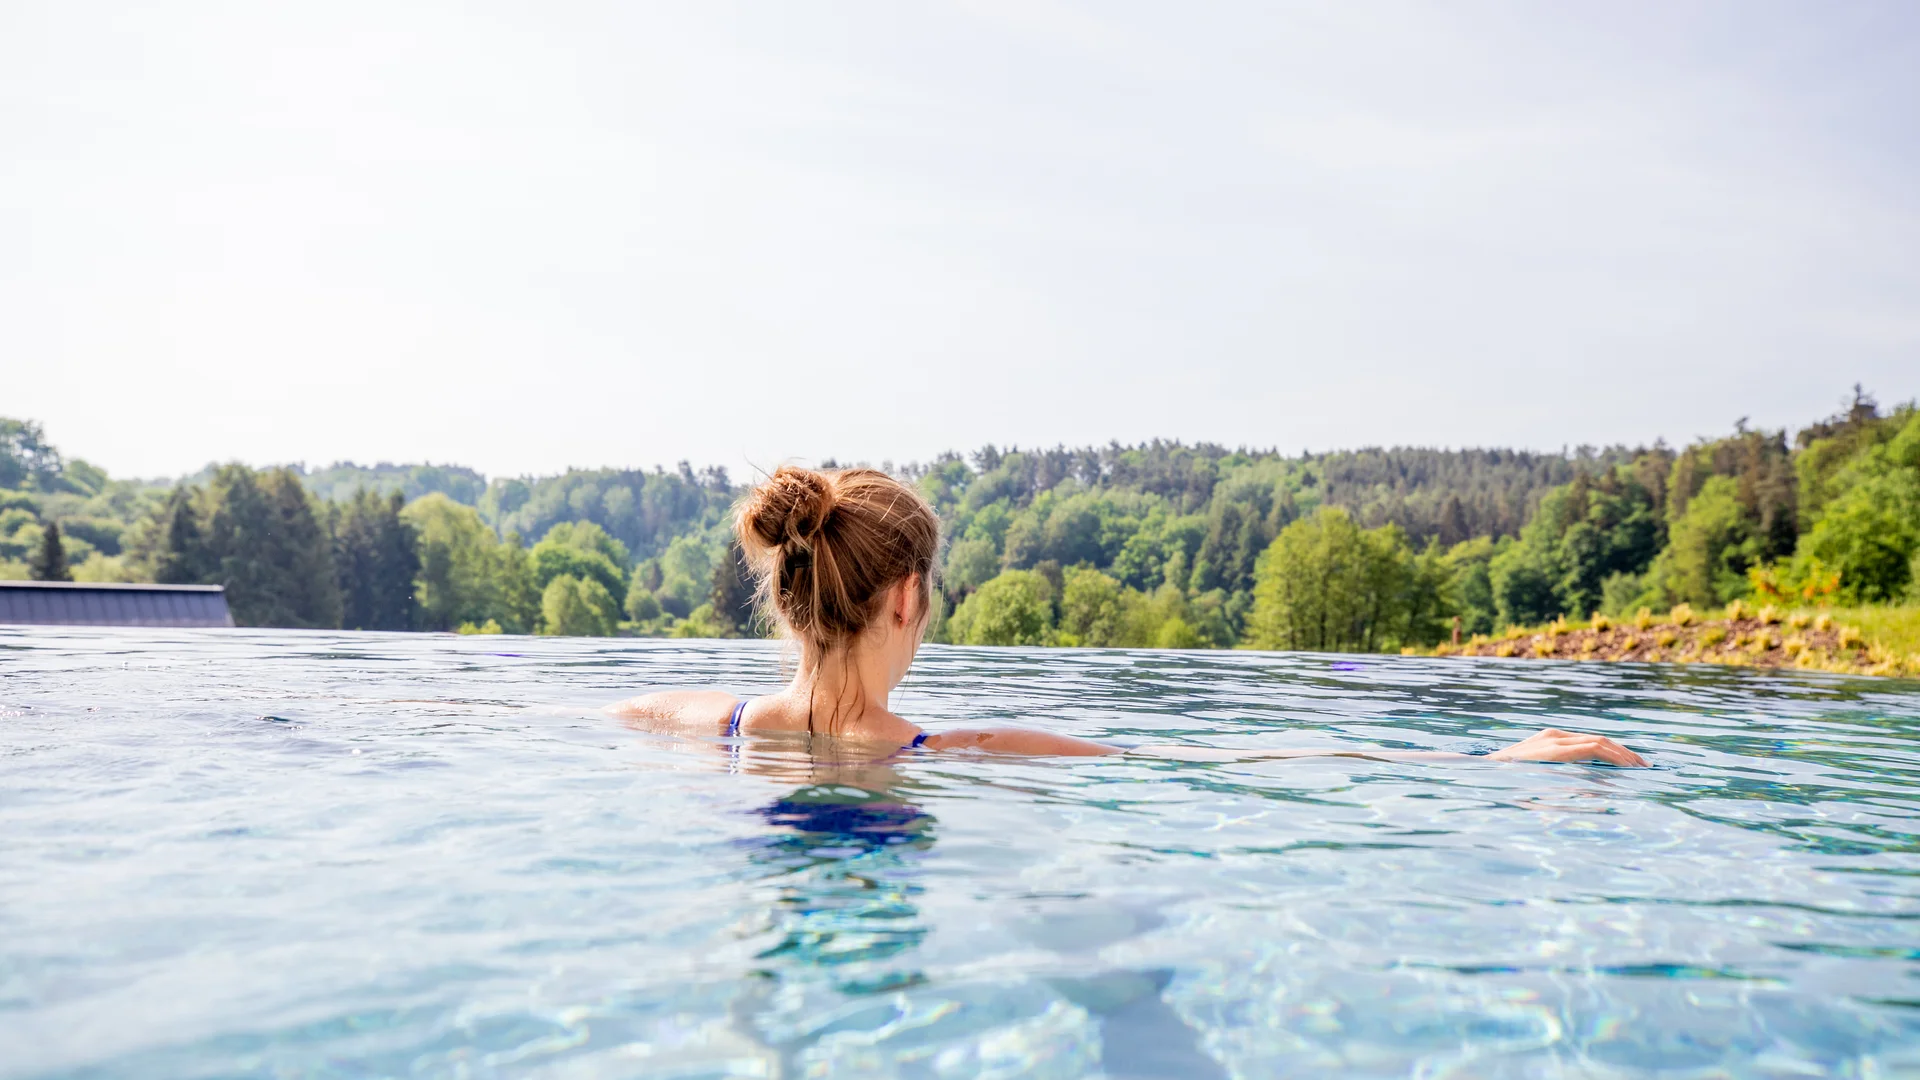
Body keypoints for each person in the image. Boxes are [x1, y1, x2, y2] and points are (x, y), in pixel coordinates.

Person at [609, 465, 1648, 768]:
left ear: (789, 591)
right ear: (906, 597)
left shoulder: (713, 724)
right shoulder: (958, 747)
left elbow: (628, 713)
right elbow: (1221, 764)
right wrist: (1489, 762)